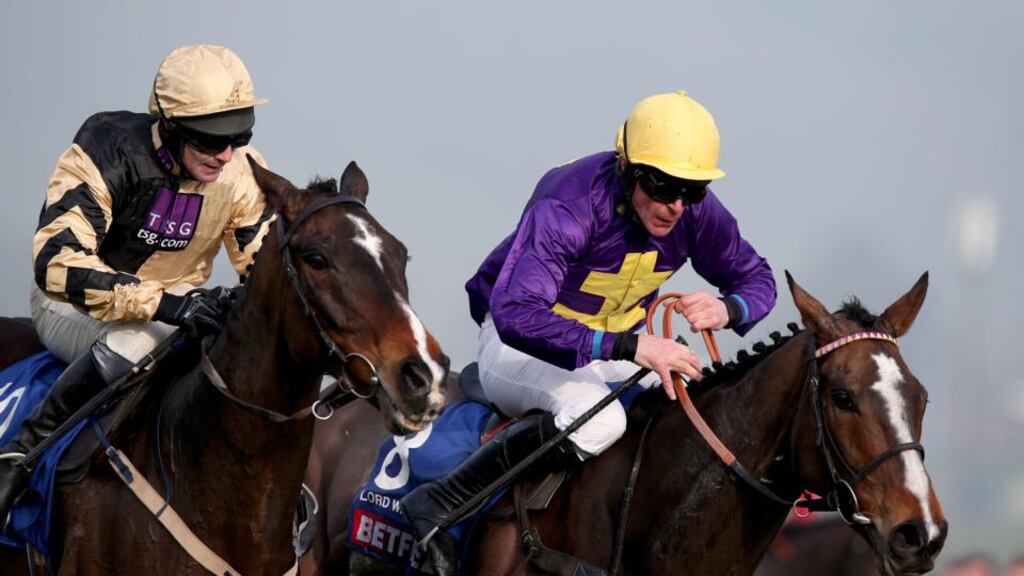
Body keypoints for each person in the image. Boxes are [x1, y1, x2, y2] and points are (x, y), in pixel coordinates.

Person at [400, 90, 777, 574]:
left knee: (698, 403)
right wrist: (631, 344)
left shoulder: (691, 212)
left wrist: (729, 309)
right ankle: (442, 503)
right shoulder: (570, 203)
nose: (676, 206)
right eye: (662, 186)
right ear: (627, 167)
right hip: (519, 343)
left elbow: (758, 279)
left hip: (615, 348)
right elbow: (517, 312)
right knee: (598, 420)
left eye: (693, 190)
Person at [0, 44, 274, 529]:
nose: (227, 153)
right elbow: (56, 265)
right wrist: (163, 305)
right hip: (75, 307)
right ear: (169, 125)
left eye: (238, 134)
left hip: (176, 311)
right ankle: (21, 453)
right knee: (142, 338)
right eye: (211, 140)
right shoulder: (106, 147)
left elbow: (263, 263)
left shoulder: (239, 172)